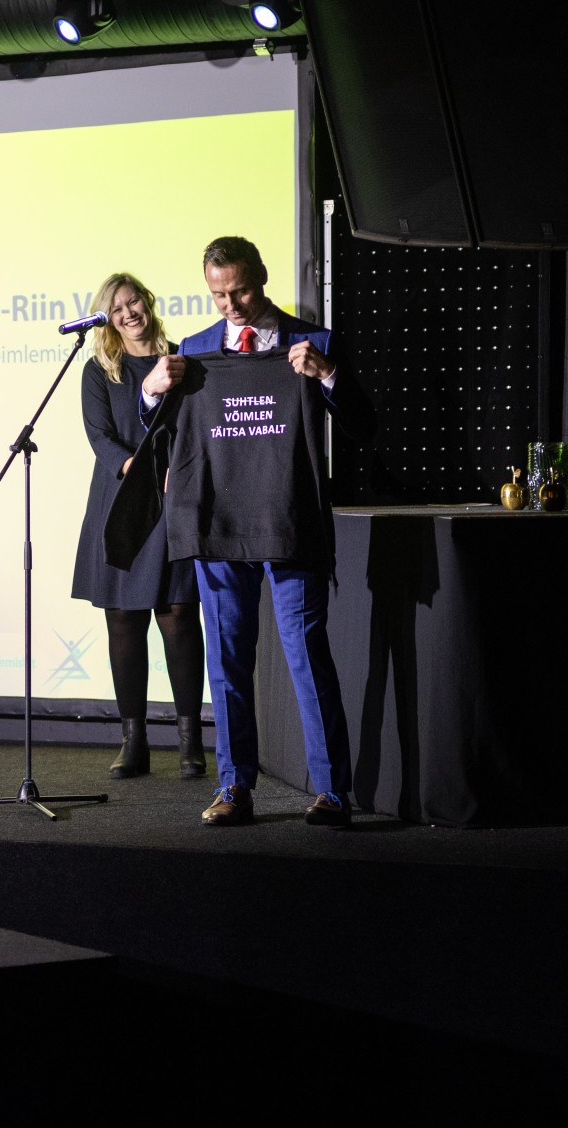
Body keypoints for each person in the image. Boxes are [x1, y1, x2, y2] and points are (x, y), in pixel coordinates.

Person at [138, 235, 376, 827]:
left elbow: (364, 427)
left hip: (291, 524)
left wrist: (327, 376)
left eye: (240, 291)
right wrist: (150, 390)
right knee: (227, 662)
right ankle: (234, 787)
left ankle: (332, 792)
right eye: (219, 295)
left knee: (307, 655)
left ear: (262, 277)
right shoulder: (193, 351)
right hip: (218, 527)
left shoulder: (312, 342)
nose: (232, 305)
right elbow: (158, 432)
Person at [71, 272, 207, 781]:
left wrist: (181, 471)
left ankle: (191, 741)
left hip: (173, 503)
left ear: (148, 303)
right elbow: (100, 439)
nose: (129, 313)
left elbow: (195, 430)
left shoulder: (182, 360)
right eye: (117, 308)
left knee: (178, 615)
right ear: (107, 319)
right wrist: (139, 471)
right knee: (124, 621)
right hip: (122, 503)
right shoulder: (98, 371)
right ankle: (134, 742)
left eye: (134, 303)